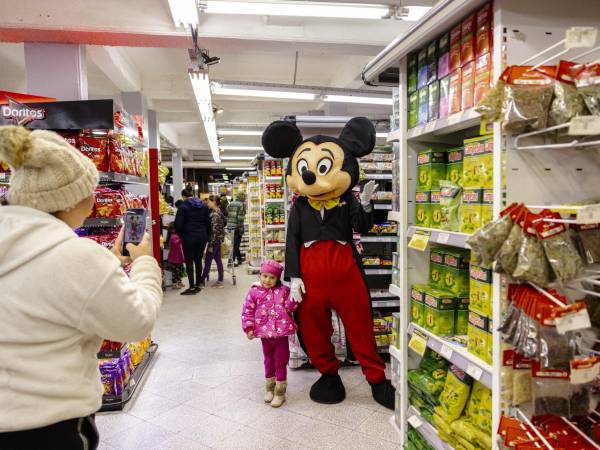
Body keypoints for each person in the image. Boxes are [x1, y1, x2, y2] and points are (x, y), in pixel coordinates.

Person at [0, 125, 163, 450]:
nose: (93, 199)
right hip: (47, 425)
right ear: (69, 199)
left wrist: (110, 262)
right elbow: (136, 321)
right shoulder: (78, 256)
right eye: (90, 189)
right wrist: (144, 263)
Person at [241, 260, 297, 408]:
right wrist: (249, 328)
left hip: (281, 335)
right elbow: (248, 311)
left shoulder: (284, 291)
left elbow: (291, 307)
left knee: (280, 361)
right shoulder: (254, 291)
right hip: (265, 335)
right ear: (260, 275)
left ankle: (280, 392)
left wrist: (295, 296)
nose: (267, 280)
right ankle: (269, 388)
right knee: (268, 361)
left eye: (272, 277)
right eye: (265, 276)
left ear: (278, 279)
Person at [174, 188, 211, 295]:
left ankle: (191, 287)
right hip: (202, 236)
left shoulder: (183, 207)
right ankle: (198, 284)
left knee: (189, 261)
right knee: (198, 260)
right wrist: (207, 235)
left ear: (184, 197)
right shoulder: (204, 206)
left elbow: (178, 224)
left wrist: (182, 235)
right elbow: (208, 222)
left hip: (188, 237)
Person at [199, 194, 226, 288]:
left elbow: (214, 230)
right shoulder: (219, 212)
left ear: (214, 202)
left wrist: (210, 244)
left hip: (214, 241)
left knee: (208, 260)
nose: (208, 203)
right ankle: (220, 280)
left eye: (209, 201)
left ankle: (201, 281)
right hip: (218, 240)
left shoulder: (214, 214)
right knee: (218, 260)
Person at [227, 192, 246, 266]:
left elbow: (227, 212)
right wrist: (240, 228)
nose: (245, 198)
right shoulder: (241, 205)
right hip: (237, 227)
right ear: (242, 198)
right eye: (244, 197)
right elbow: (240, 219)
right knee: (235, 245)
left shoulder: (231, 203)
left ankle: (239, 259)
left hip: (230, 226)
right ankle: (231, 261)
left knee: (234, 243)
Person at [165, 222, 185, 289]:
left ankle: (179, 282)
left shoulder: (175, 235)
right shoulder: (173, 236)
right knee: (175, 272)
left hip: (177, 257)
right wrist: (182, 238)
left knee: (179, 270)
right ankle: (175, 283)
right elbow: (175, 242)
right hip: (175, 258)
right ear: (173, 229)